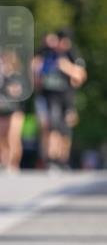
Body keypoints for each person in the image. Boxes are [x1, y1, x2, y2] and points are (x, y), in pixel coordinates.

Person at [33, 30, 87, 169]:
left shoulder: (72, 54)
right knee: (52, 127)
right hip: (50, 97)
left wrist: (66, 67)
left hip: (67, 98)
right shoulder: (46, 54)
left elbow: (80, 77)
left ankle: (63, 160)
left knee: (66, 129)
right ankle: (52, 159)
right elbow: (36, 76)